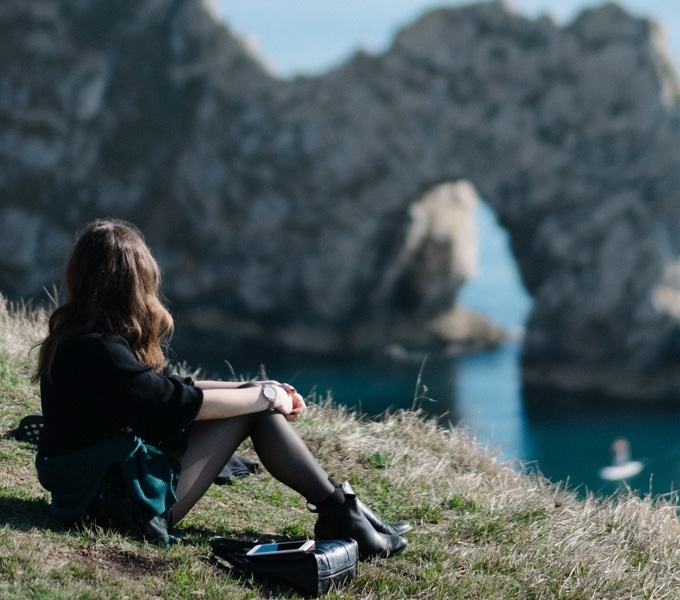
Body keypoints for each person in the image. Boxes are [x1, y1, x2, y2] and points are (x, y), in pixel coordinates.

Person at [31, 218, 409, 557]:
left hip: (92, 491)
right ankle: (343, 513)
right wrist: (265, 398)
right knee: (255, 412)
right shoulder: (99, 349)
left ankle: (345, 510)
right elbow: (170, 402)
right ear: (131, 285)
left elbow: (162, 388)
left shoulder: (77, 339)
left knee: (252, 400)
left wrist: (256, 386)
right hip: (113, 506)